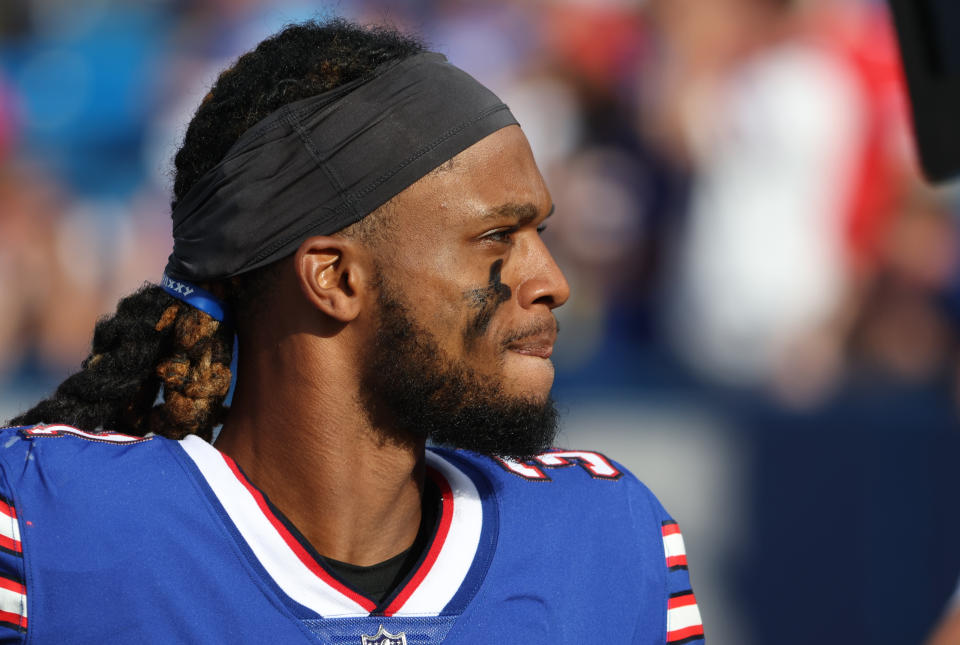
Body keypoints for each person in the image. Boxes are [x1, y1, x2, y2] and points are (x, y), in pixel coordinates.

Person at [0, 20, 704, 644]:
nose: (552, 279)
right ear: (334, 278)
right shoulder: (48, 527)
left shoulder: (606, 544)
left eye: (538, 232)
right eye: (497, 236)